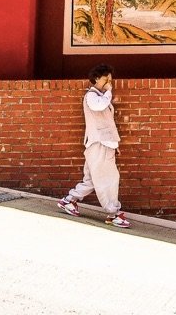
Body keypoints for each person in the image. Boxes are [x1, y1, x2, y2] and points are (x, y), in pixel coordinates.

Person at [57, 63, 130, 229]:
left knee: (91, 180)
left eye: (110, 80)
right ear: (97, 78)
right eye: (106, 79)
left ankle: (69, 201)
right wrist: (109, 92)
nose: (109, 83)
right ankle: (113, 214)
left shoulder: (99, 96)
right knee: (109, 179)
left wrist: (114, 143)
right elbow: (99, 106)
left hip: (101, 144)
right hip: (100, 144)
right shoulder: (92, 96)